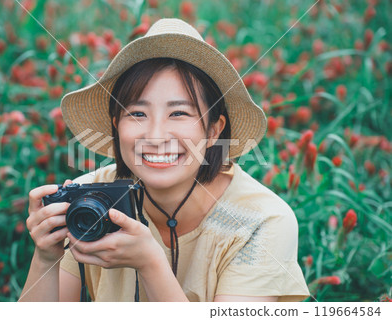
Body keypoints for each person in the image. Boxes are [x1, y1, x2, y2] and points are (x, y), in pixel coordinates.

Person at [19, 18, 311, 302]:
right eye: (137, 114)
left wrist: (150, 264)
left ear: (214, 130)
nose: (156, 136)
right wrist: (46, 258)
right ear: (116, 126)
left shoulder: (262, 220)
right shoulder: (90, 198)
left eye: (179, 113)